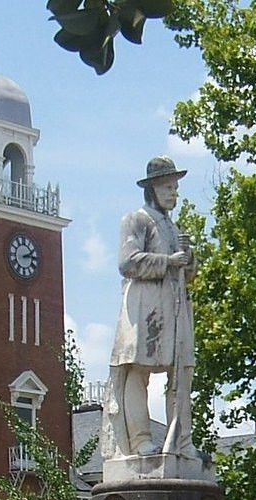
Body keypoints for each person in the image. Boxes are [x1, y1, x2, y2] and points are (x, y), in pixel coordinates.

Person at [103, 156, 197, 462]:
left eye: (176, 187)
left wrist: (189, 260)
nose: (174, 193)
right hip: (144, 304)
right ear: (153, 188)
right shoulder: (137, 219)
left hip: (175, 304)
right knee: (138, 370)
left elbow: (187, 272)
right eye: (168, 186)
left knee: (182, 373)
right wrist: (168, 262)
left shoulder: (174, 227)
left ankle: (182, 441)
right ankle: (141, 439)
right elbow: (127, 262)